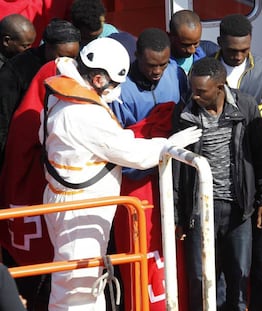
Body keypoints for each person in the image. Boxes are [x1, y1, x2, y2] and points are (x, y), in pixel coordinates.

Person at [39, 37, 201, 310]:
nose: (117, 90)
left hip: (67, 201)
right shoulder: (83, 113)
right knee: (79, 287)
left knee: (76, 278)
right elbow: (130, 153)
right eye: (115, 84)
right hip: (81, 209)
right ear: (99, 79)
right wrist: (168, 145)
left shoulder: (59, 97)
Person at [173, 57, 262, 311]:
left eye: (201, 92)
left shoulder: (246, 106)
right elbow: (176, 170)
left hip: (239, 209)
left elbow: (261, 155)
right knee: (201, 282)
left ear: (220, 87)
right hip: (199, 211)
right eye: (192, 89)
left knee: (238, 280)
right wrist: (178, 216)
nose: (194, 96)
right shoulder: (183, 113)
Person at [108, 27, 188, 311]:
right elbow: (116, 145)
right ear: (137, 57)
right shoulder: (119, 89)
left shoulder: (176, 74)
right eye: (151, 64)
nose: (158, 71)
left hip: (172, 177)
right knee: (139, 249)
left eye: (163, 64)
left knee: (173, 250)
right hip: (135, 182)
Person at [214, 13, 262, 310]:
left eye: (245, 50)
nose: (239, 56)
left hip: (255, 170)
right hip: (221, 177)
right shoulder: (209, 69)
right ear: (220, 44)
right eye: (232, 51)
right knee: (223, 262)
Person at [0, 18, 80, 170]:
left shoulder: (75, 67)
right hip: (22, 156)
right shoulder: (15, 71)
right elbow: (3, 122)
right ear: (47, 46)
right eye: (62, 56)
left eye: (73, 57)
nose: (68, 63)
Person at [168, 9, 219, 75]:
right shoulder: (159, 64)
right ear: (170, 37)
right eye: (185, 45)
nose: (191, 50)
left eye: (196, 43)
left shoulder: (211, 53)